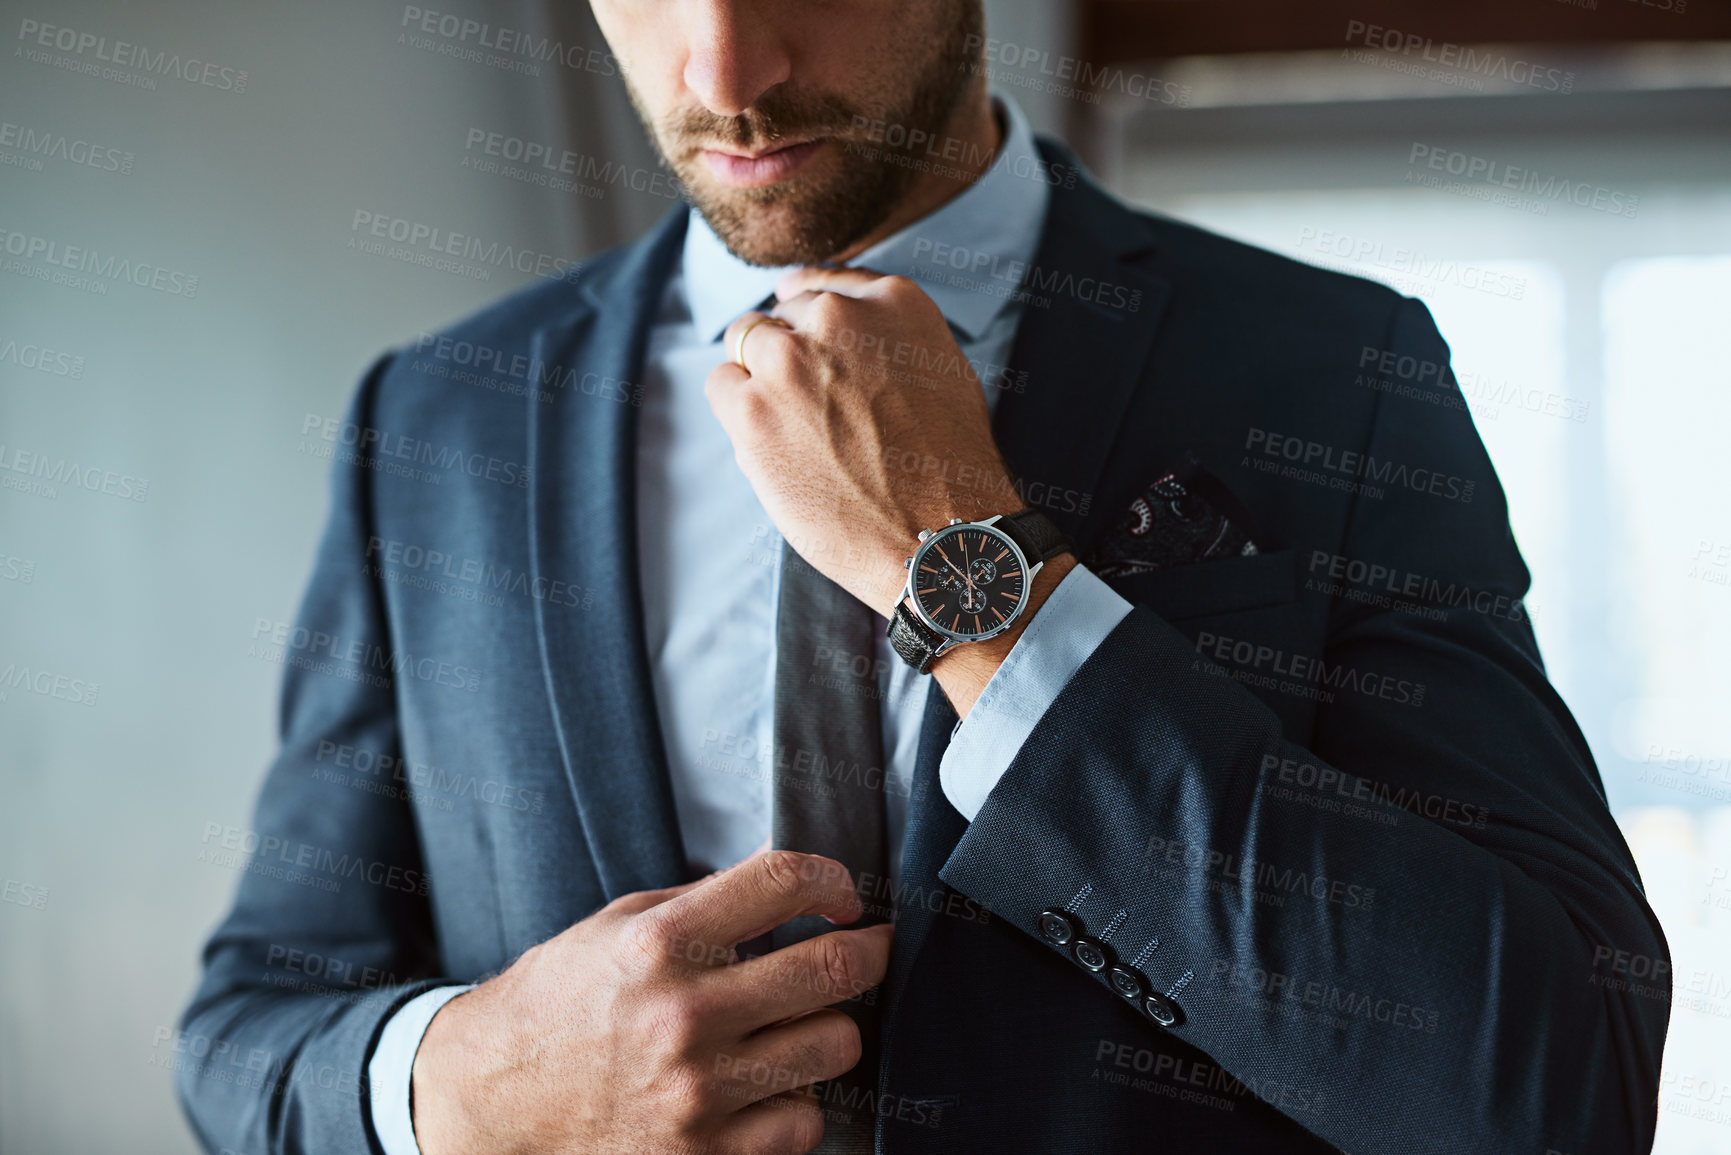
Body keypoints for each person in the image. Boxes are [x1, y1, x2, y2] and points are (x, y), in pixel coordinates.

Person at [177, 2, 1669, 1152]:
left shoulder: (1336, 372)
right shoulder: (433, 421)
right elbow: (248, 1030)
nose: (726, 71)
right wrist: (467, 1082)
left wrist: (981, 581)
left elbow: (1552, 1084)